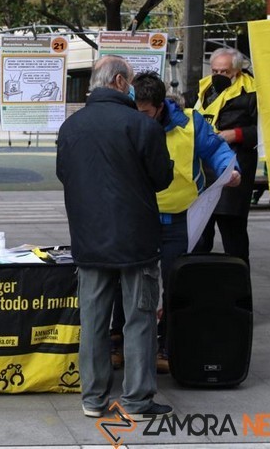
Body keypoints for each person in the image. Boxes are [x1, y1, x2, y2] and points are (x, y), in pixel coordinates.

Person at [56, 55, 174, 421]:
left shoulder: (71, 127)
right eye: (132, 81)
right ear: (121, 82)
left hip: (89, 239)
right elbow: (162, 178)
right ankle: (137, 400)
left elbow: (64, 175)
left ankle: (93, 398)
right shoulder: (142, 127)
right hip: (136, 241)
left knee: (93, 321)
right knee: (139, 319)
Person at [110, 71, 240, 374]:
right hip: (136, 215)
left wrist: (230, 171)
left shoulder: (190, 123)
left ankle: (167, 343)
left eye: (145, 113)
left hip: (177, 218)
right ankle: (117, 339)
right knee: (122, 276)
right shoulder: (127, 120)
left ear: (160, 106)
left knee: (174, 280)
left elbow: (218, 150)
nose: (139, 118)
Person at [193, 47, 258, 268]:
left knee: (234, 236)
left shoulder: (252, 93)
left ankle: (239, 293)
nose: (219, 76)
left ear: (238, 72)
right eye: (215, 71)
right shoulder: (203, 91)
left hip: (234, 169)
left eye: (225, 72)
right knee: (199, 238)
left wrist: (236, 134)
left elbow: (265, 130)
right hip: (203, 171)